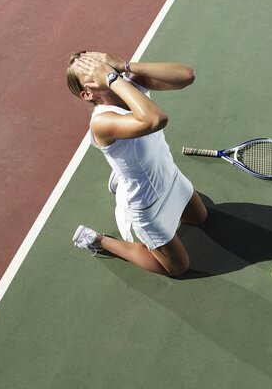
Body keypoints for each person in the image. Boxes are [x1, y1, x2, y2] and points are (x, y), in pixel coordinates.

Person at [66, 51, 207, 276]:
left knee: (200, 218)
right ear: (86, 94)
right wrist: (113, 79)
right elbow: (155, 120)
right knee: (178, 267)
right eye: (91, 74)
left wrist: (124, 66)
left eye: (98, 65)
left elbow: (187, 76)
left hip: (170, 176)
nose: (100, 71)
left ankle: (121, 177)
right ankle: (99, 240)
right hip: (147, 204)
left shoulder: (130, 84)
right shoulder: (102, 122)